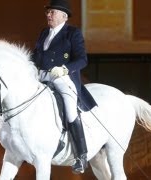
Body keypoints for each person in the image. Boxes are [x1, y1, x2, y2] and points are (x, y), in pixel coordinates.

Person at [32, 0, 97, 174]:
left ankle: (81, 156)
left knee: (70, 110)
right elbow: (36, 55)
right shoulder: (44, 32)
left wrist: (65, 69)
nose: (48, 15)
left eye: (52, 12)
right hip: (42, 76)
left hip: (63, 77)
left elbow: (82, 59)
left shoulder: (72, 33)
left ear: (64, 16)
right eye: (48, 12)